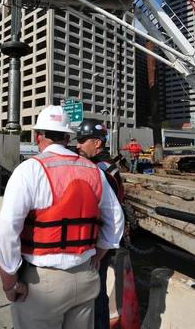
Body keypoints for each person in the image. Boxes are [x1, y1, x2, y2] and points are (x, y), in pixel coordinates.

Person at [0, 105, 124, 329]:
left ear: (37, 136)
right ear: (67, 136)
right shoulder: (94, 171)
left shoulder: (29, 170)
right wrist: (97, 257)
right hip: (85, 277)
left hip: (43, 284)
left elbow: (6, 231)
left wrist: (10, 285)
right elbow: (115, 223)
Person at [75, 118, 125, 329]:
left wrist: (100, 253)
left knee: (96, 297)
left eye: (83, 140)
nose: (78, 145)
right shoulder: (97, 166)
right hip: (94, 244)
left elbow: (109, 216)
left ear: (97, 143)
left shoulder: (103, 170)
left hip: (97, 246)